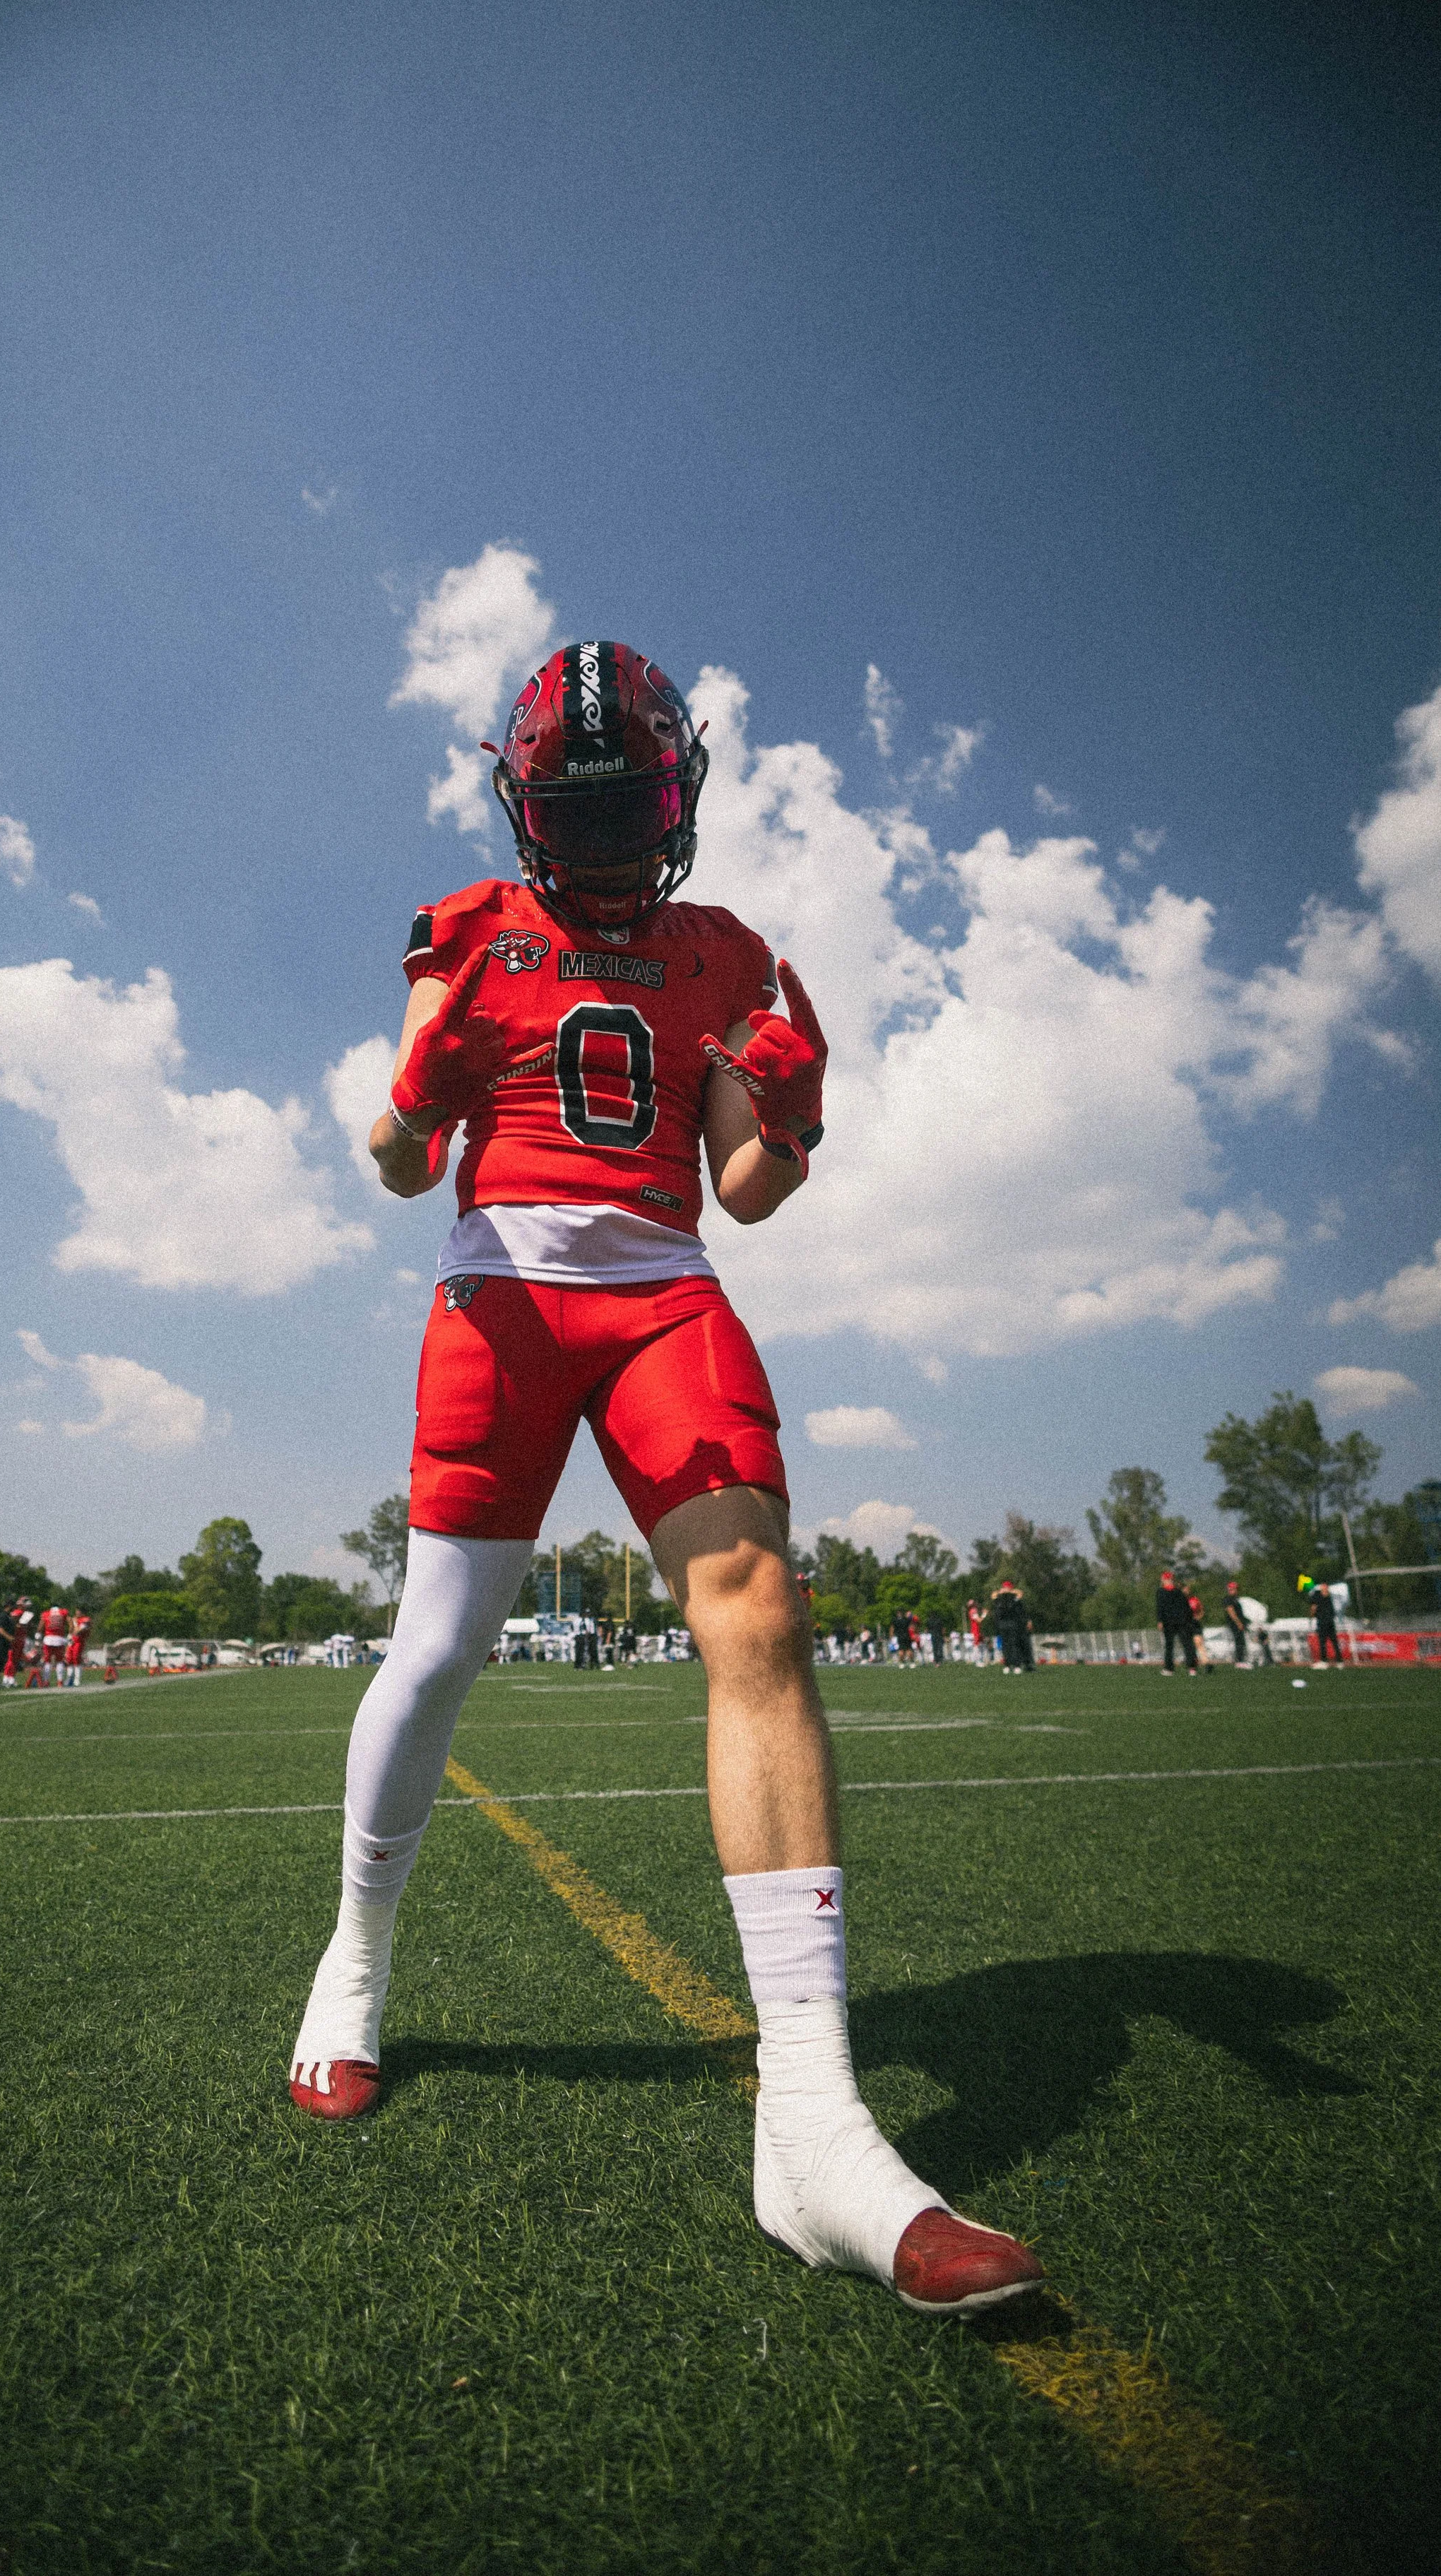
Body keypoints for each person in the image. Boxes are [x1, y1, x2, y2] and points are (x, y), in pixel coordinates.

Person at [287, 639, 1041, 2317]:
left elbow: (747, 1185)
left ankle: (813, 2117)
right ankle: (357, 1958)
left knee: (758, 1609)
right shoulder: (468, 924)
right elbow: (405, 1159)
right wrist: (416, 1097)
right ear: (530, 807)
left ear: (680, 795)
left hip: (661, 1289)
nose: (615, 832)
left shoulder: (728, 952)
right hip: (499, 1288)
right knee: (438, 1644)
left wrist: (802, 1113)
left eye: (633, 801)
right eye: (587, 804)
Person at [1156, 1570, 1200, 1675]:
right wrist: (1189, 1620)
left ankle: (1169, 1669)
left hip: (1169, 1622)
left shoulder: (1161, 1592)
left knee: (1170, 1646)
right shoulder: (1179, 1592)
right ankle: (1192, 1668)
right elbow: (1187, 1607)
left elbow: (1160, 1608)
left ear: (1163, 1580)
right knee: (1187, 1644)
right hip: (1182, 1621)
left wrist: (1160, 1621)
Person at [1309, 1581, 1343, 1669]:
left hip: (1325, 1621)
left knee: (1327, 1641)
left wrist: (1312, 1616)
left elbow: (1314, 1607)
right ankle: (1338, 1661)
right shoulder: (1326, 1595)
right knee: (1332, 1641)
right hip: (1328, 1621)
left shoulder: (1321, 1595)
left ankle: (1327, 1661)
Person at [1222, 1580, 1248, 1666]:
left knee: (1241, 1641)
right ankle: (1239, 1661)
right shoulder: (1228, 1599)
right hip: (1235, 1624)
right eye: (1234, 1589)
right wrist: (1238, 1623)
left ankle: (1241, 1659)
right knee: (1239, 1641)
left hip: (1239, 1623)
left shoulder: (1236, 1600)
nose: (1236, 1591)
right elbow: (1231, 1612)